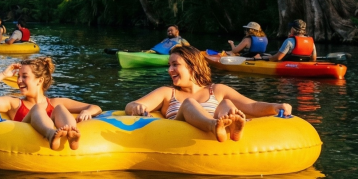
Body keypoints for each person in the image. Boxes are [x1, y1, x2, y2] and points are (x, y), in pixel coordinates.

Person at [125, 45, 292, 142]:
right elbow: (130, 106)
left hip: (218, 132)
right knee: (189, 103)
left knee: (227, 104)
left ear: (192, 66)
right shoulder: (167, 93)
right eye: (169, 65)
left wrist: (276, 106)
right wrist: (137, 107)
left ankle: (233, 127)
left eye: (175, 65)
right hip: (181, 131)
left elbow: (252, 106)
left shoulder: (217, 90)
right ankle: (214, 126)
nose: (170, 70)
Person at [0, 58, 101, 150]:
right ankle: (50, 134)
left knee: (60, 108)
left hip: (58, 137)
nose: (19, 81)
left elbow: (96, 108)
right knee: (37, 109)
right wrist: (2, 75)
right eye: (18, 76)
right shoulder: (14, 104)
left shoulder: (55, 102)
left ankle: (72, 135)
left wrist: (87, 111)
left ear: (39, 80)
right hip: (23, 141)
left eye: (24, 76)